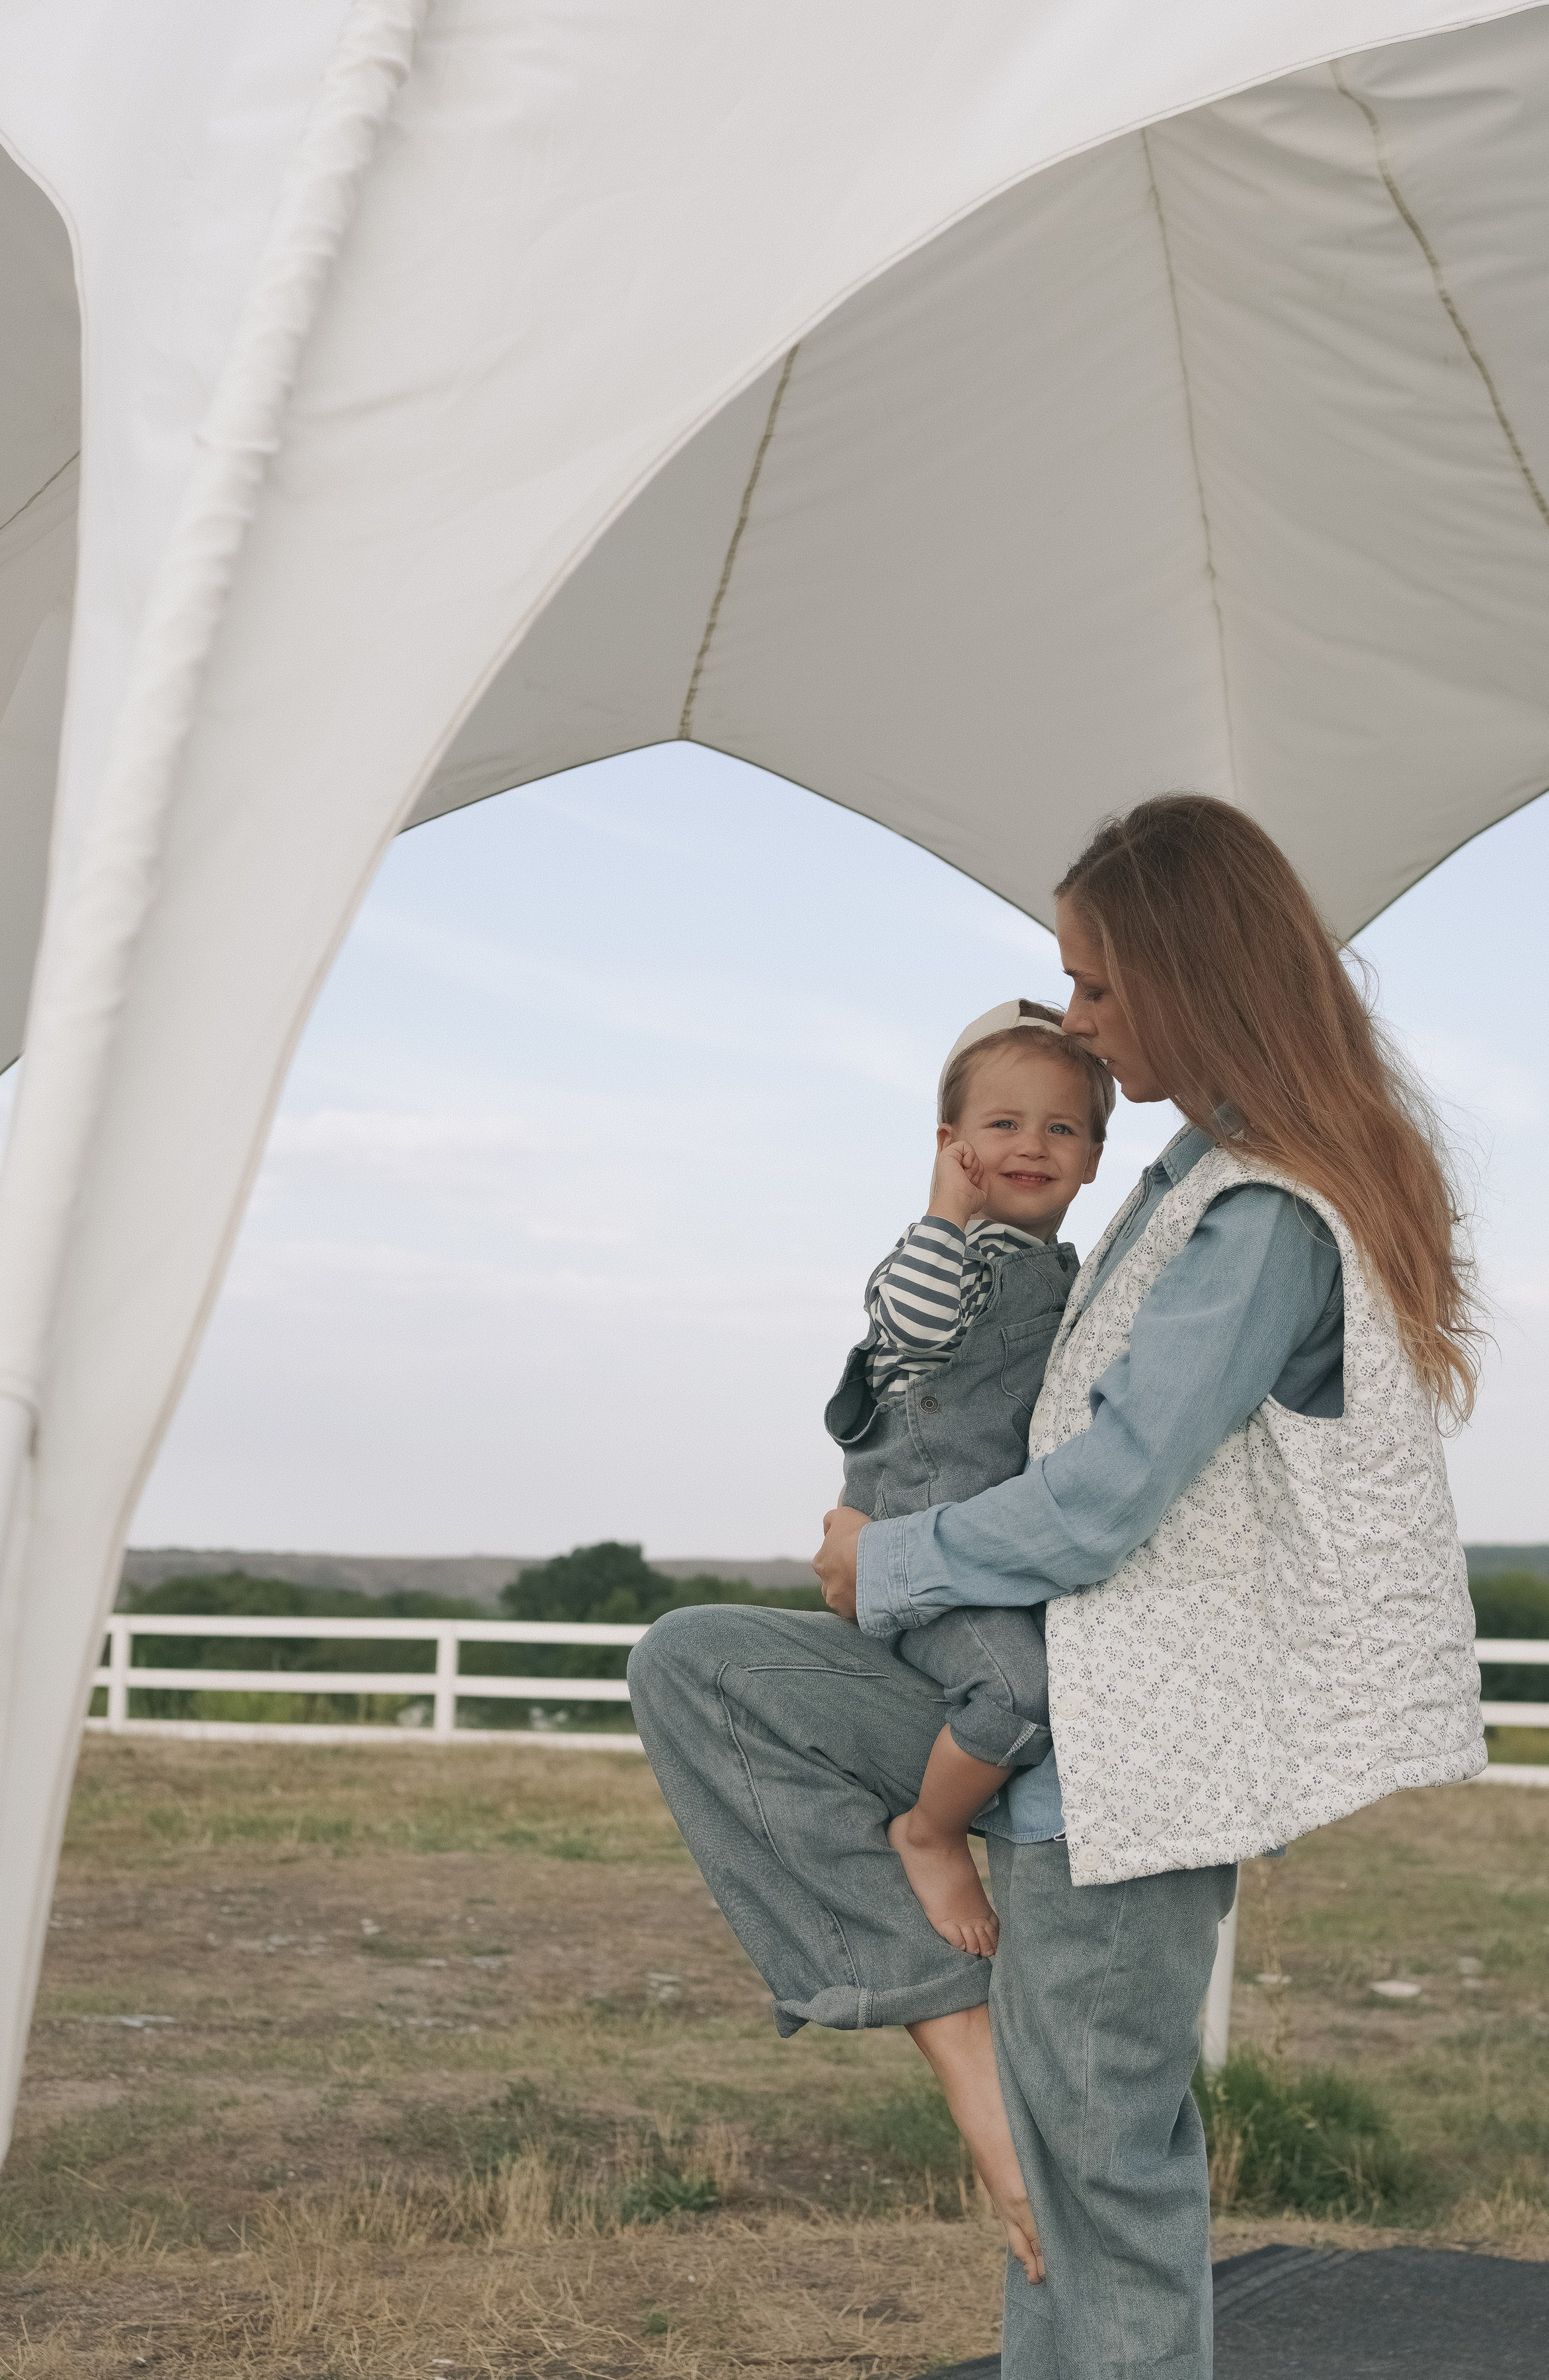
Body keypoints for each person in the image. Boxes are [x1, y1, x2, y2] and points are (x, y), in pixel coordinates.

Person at [629, 794, 1486, 2379]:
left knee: (1103, 2184)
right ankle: (944, 2030)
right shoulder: (1187, 1177)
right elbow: (982, 1393)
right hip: (1041, 1738)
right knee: (699, 1669)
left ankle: (993, 2096)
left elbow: (1103, 1498)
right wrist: (943, 1232)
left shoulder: (1257, 1215)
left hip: (1120, 1780)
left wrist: (887, 1560)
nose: (1075, 1019)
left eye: (1095, 984)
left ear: (1185, 972)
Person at [825, 1003, 1110, 1958]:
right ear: (953, 1146)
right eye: (1002, 1125)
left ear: (1097, 1154)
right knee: (1016, 1693)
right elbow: (913, 1329)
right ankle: (931, 1832)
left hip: (979, 1555)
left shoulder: (1064, 1273)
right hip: (918, 1550)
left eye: (1061, 1127)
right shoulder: (958, 1259)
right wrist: (945, 1209)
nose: (1033, 1145)